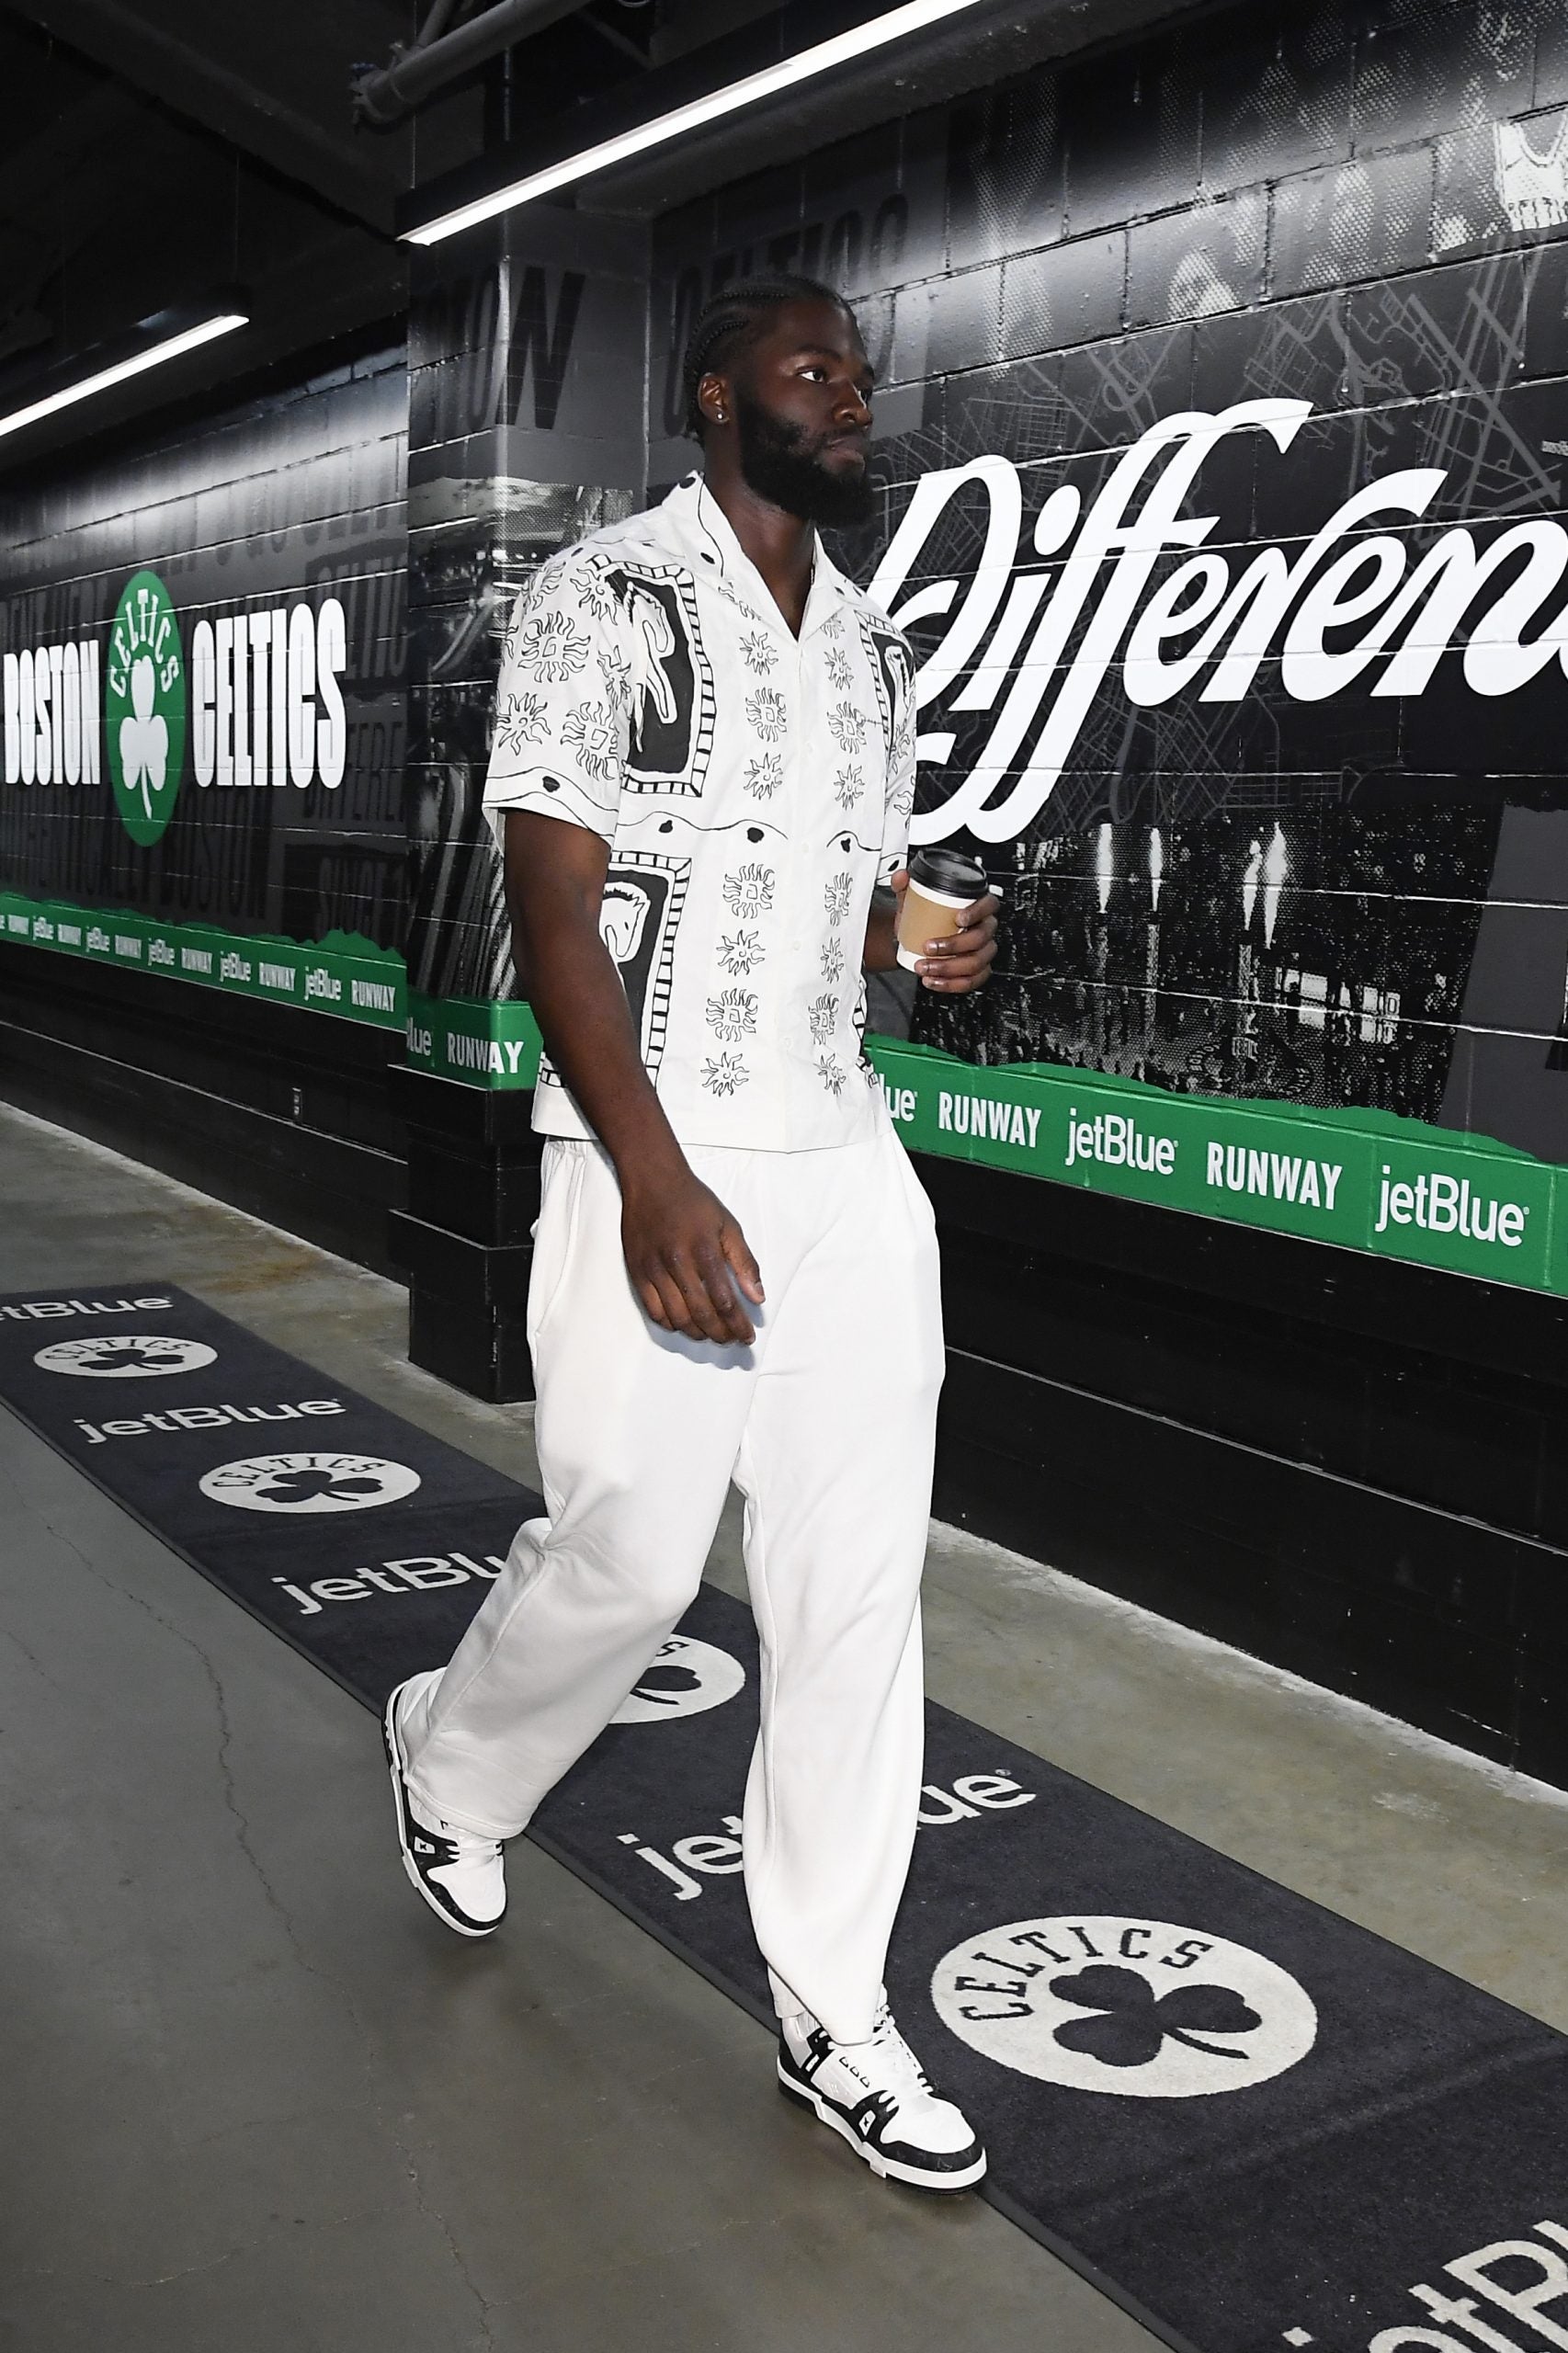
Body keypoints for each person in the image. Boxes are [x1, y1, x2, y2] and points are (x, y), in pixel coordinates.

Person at [383, 271, 1000, 2193]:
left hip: (843, 1159)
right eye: (814, 370)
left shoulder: (872, 641)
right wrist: (649, 1171)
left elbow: (838, 890)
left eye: (862, 375)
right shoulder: (603, 595)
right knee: (635, 1556)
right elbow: (553, 905)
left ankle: (836, 2000)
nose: (851, 397)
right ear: (717, 390)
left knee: (851, 1588)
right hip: (656, 1149)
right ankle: (448, 1751)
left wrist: (913, 938)